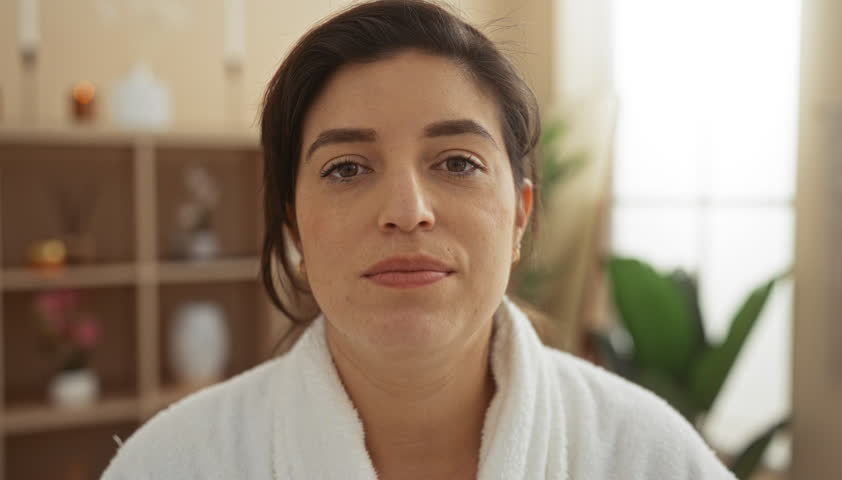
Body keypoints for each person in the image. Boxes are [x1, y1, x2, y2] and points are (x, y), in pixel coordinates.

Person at [101, 1, 736, 478]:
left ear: (519, 213)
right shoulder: (175, 463)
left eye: (457, 162)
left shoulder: (649, 456)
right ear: (294, 225)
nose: (408, 212)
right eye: (346, 168)